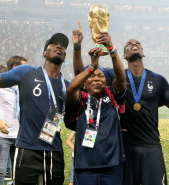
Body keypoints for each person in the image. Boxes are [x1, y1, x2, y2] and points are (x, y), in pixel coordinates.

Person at [71, 22, 169, 185]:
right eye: (129, 45)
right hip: (124, 147)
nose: (133, 44)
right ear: (123, 55)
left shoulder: (158, 80)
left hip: (151, 146)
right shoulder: (113, 76)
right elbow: (83, 78)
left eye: (137, 44)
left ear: (143, 52)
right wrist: (77, 48)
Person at [0, 29, 69, 185]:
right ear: (44, 53)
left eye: (63, 46)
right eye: (54, 43)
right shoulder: (26, 72)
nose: (59, 46)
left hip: (54, 151)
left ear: (65, 57)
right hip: (27, 149)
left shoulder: (66, 86)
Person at [65, 31, 126, 185]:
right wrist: (92, 67)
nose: (97, 78)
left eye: (101, 76)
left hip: (112, 165)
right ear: (85, 82)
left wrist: (112, 50)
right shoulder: (80, 100)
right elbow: (71, 89)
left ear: (106, 82)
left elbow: (120, 78)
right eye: (92, 76)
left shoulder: (113, 98)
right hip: (85, 166)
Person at [0, 56, 26, 185]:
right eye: (25, 67)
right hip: (2, 135)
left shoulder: (22, 87)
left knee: (19, 171)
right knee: (0, 171)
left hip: (19, 135)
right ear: (15, 68)